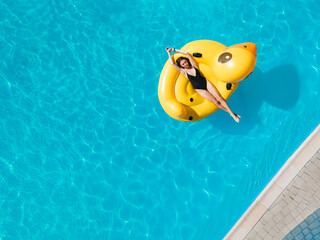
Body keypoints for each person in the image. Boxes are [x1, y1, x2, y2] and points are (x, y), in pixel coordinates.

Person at [165, 47, 241, 123]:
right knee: (216, 102)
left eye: (185, 62)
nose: (185, 64)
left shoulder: (194, 66)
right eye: (183, 64)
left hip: (205, 82)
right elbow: (172, 64)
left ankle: (232, 114)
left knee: (220, 98)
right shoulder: (184, 72)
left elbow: (187, 54)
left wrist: (174, 50)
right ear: (181, 66)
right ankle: (232, 114)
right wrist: (169, 53)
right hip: (200, 89)